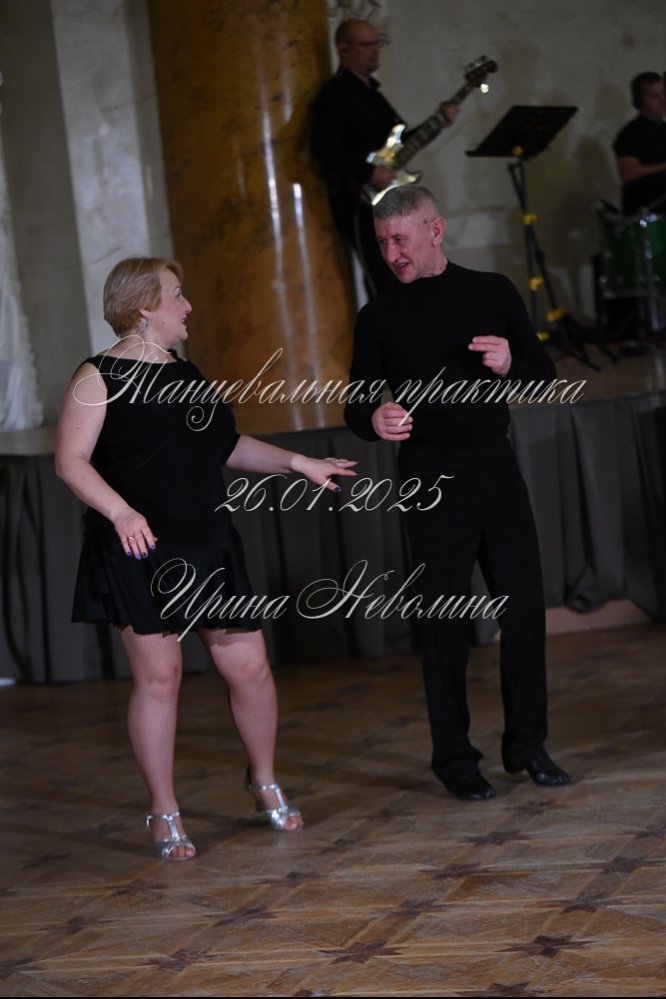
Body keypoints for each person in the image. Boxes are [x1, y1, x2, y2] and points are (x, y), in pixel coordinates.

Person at [55, 257, 357, 858]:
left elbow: (226, 445)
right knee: (159, 677)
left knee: (250, 667)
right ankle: (163, 808)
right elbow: (71, 461)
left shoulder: (186, 372)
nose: (187, 305)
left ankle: (263, 779)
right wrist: (121, 513)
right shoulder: (97, 375)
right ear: (144, 306)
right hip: (139, 544)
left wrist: (298, 462)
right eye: (176, 294)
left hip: (206, 539)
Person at [344, 186, 569, 802]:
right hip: (429, 476)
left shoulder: (492, 292)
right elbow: (357, 404)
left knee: (523, 611)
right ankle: (454, 760)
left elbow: (543, 379)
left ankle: (528, 747)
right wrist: (375, 417)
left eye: (401, 239)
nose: (391, 253)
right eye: (382, 242)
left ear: (435, 230)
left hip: (495, 467)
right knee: (444, 624)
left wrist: (511, 365)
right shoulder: (378, 316)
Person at [310, 17, 458, 297]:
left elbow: (400, 145)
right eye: (368, 45)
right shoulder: (335, 94)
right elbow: (324, 148)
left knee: (406, 273)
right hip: (359, 201)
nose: (376, 50)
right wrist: (369, 173)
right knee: (383, 276)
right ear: (343, 49)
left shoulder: (373, 95)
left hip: (386, 202)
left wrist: (438, 122)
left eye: (378, 43)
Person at [612, 72, 666, 216]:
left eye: (664, 94)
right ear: (639, 101)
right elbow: (628, 173)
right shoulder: (632, 133)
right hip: (647, 215)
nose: (662, 100)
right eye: (655, 96)